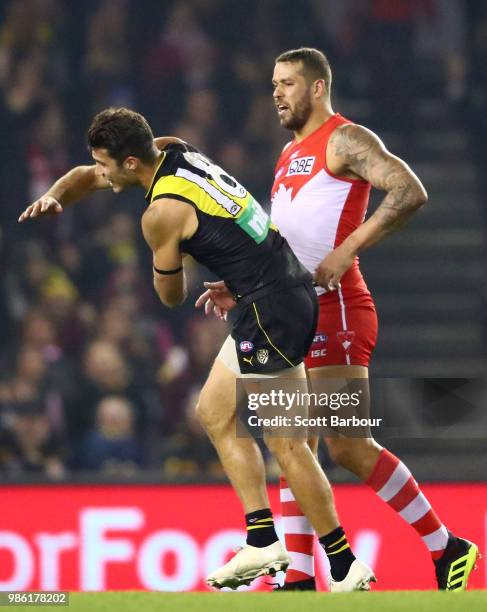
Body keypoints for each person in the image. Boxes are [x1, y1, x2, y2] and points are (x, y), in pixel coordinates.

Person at [18, 107, 375, 591]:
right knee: (212, 411)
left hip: (272, 311)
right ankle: (263, 538)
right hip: (276, 293)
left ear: (128, 164)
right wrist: (56, 194)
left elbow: (171, 297)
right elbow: (87, 177)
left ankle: (343, 563)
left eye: (104, 163)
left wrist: (172, 253)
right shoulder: (172, 149)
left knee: (287, 445)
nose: (98, 172)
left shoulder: (161, 212)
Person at [196, 48, 479, 592]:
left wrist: (349, 247)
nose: (276, 93)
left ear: (318, 88)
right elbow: (285, 244)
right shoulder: (287, 154)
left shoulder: (346, 140)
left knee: (345, 445)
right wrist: (241, 285)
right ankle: (301, 577)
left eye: (287, 84)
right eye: (273, 83)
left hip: (338, 309)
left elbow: (409, 189)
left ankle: (447, 548)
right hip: (289, 308)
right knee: (290, 438)